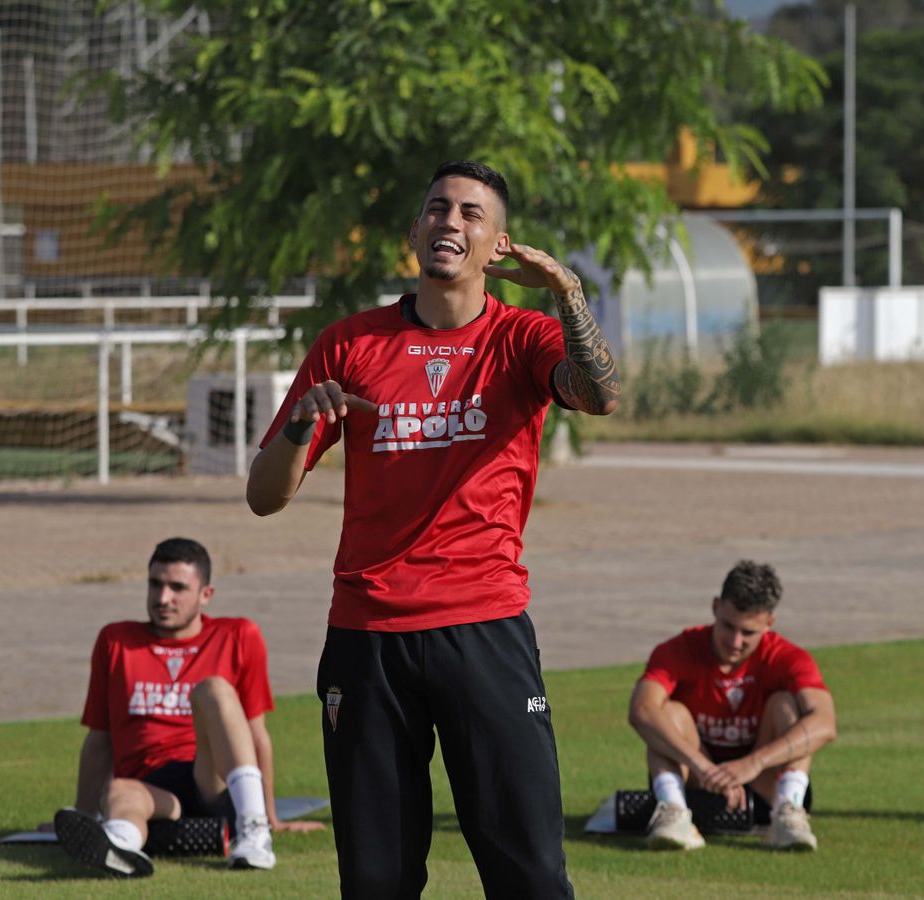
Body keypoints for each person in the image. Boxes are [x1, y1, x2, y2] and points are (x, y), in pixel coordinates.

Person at [245, 160, 619, 898]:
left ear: (498, 244)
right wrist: (298, 427)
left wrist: (569, 293)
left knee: (531, 874)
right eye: (437, 209)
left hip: (484, 630)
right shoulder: (349, 344)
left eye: (471, 214)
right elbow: (263, 498)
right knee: (377, 880)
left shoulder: (523, 338)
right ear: (415, 230)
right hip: (367, 639)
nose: (451, 222)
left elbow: (599, 395)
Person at [53, 537, 324, 878]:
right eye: (155, 584)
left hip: (212, 776)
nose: (163, 598)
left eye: (177, 587)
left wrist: (272, 817)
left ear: (206, 594)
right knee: (119, 790)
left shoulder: (238, 635)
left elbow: (256, 736)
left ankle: (255, 831)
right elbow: (99, 740)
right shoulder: (116, 640)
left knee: (213, 689)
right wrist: (83, 816)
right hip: (151, 788)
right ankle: (119, 847)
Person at [628, 560, 837, 852]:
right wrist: (705, 768)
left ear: (769, 624)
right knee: (669, 712)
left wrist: (752, 764)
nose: (735, 642)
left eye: (748, 632)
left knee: (785, 706)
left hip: (764, 776)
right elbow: (641, 710)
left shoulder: (788, 657)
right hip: (697, 773)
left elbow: (825, 724)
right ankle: (674, 814)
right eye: (728, 626)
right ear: (715, 607)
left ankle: (787, 812)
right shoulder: (678, 650)